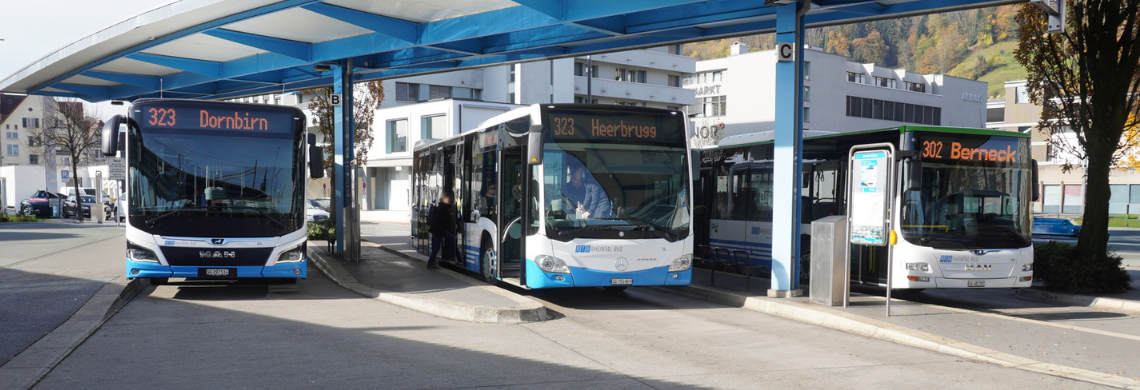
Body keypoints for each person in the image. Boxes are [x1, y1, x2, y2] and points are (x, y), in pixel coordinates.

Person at [426, 191, 457, 269]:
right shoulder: (443, 207)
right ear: (444, 199)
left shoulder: (442, 206)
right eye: (448, 198)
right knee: (439, 245)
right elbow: (443, 219)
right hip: (439, 230)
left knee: (438, 245)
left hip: (439, 230)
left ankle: (431, 261)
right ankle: (430, 262)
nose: (450, 200)